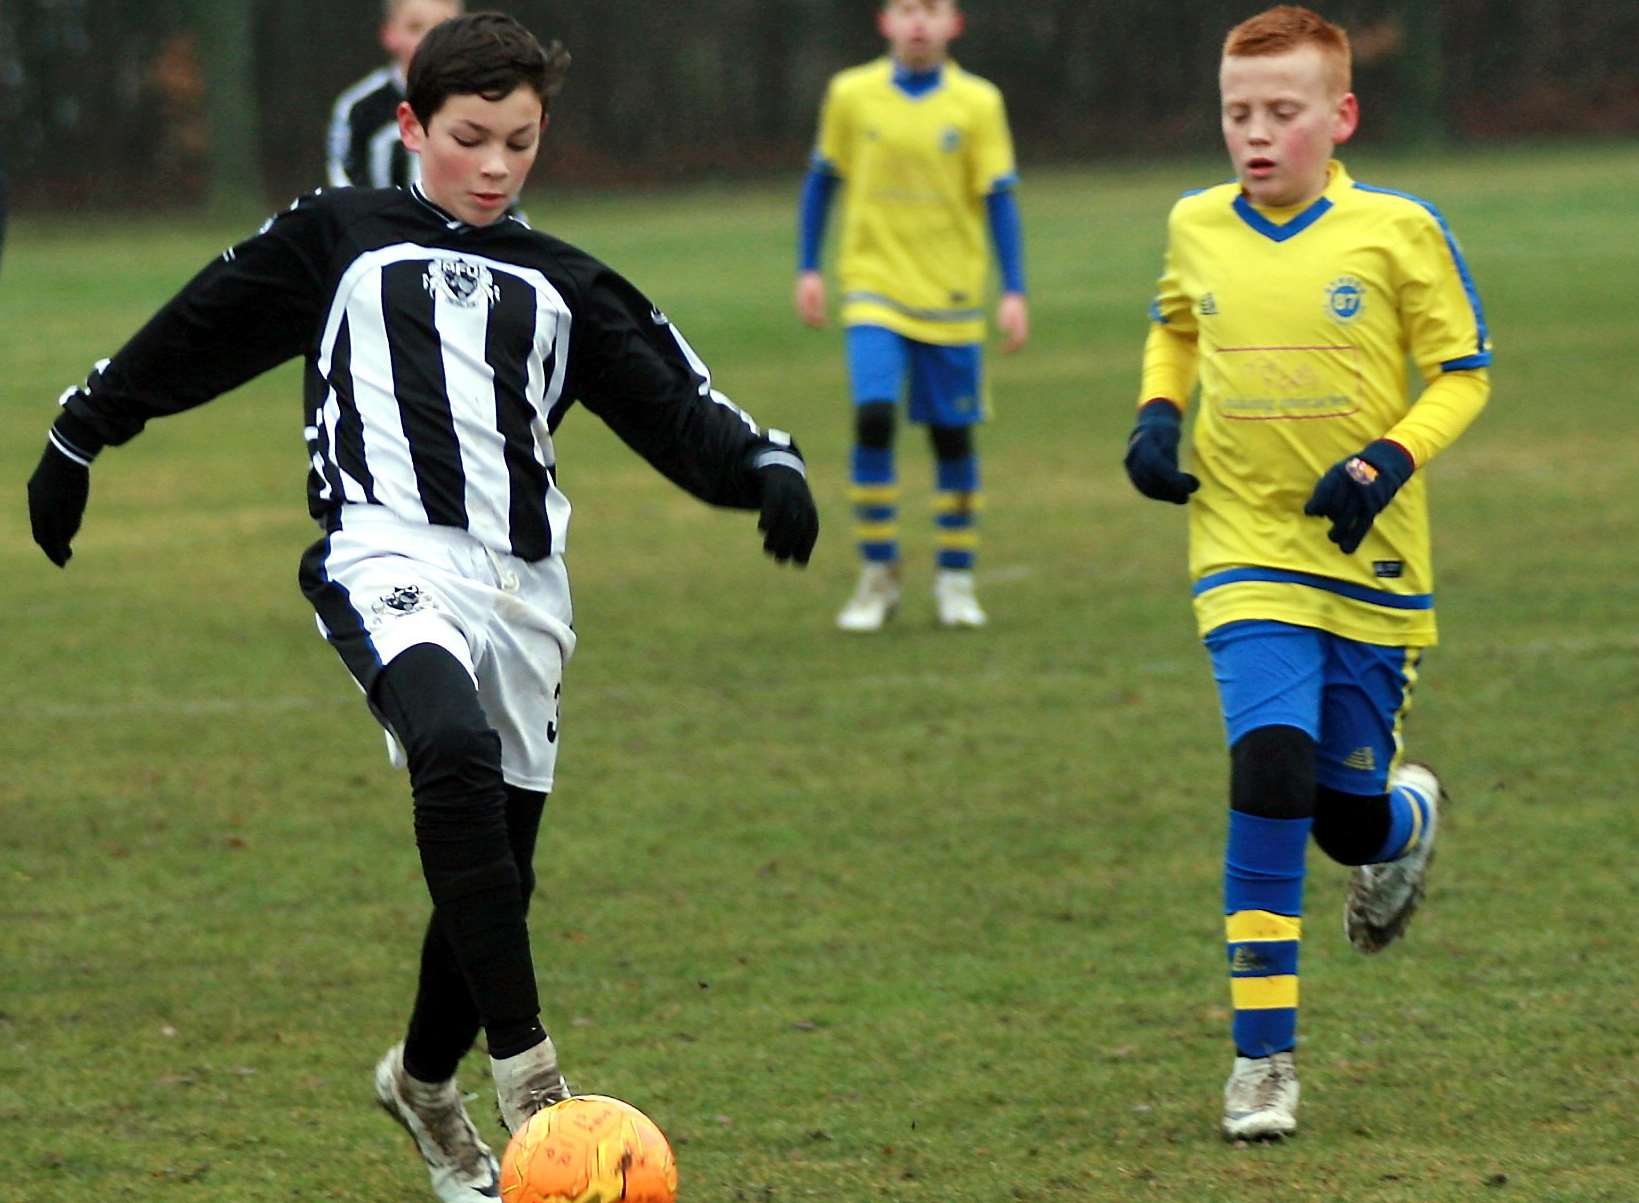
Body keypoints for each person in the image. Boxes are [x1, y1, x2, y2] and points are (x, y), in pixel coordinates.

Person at [27, 14, 818, 1203]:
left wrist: (764, 469)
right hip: (385, 554)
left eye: (520, 141)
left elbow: (675, 400)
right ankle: (533, 1088)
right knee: (445, 748)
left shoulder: (562, 278)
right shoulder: (343, 232)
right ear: (410, 127)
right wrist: (82, 428)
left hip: (526, 591)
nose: (495, 165)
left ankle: (422, 1084)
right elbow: (203, 324)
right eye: (468, 138)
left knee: (498, 869)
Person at [1122, 4, 1491, 1142]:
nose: (1255, 134)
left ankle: (1405, 823)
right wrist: (1154, 415)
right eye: (1238, 113)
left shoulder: (1396, 232)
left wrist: (1386, 459)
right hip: (1243, 551)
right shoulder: (1194, 224)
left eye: (1282, 113)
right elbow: (1178, 329)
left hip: (1370, 565)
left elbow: (1461, 374)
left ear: (1340, 117)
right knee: (1269, 773)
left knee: (1345, 817)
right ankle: (1261, 1062)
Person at [795, 0, 1028, 632]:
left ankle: (956, 578)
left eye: (931, 9)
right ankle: (878, 575)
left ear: (954, 22)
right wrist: (809, 268)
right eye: (906, 8)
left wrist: (1014, 290)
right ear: (884, 21)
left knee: (951, 436)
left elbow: (999, 198)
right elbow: (822, 181)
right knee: (874, 418)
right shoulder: (851, 94)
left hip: (951, 295)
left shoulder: (978, 102)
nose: (918, 21)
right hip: (872, 287)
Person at [327, 0, 463, 189]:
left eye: (442, 28)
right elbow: (344, 183)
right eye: (415, 27)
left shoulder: (477, 101)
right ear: (389, 34)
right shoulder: (359, 107)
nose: (429, 40)